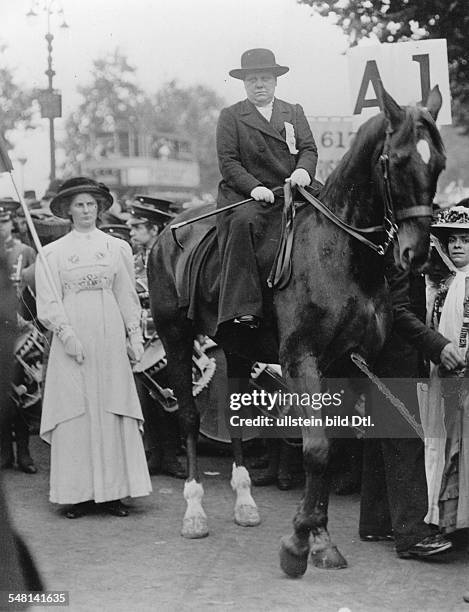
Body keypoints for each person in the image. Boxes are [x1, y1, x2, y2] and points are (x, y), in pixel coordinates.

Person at [35, 177, 151, 519]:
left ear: (99, 208)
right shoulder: (52, 253)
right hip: (74, 336)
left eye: (90, 204)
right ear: (68, 210)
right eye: (79, 205)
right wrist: (65, 333)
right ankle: (79, 493)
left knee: (111, 406)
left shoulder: (117, 248)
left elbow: (126, 294)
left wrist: (133, 335)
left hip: (108, 334)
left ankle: (114, 492)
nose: (86, 211)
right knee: (77, 409)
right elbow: (48, 299)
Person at [358, 242, 462, 559]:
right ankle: (411, 534)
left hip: (385, 346)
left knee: (384, 436)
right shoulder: (400, 247)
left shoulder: (392, 240)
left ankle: (376, 522)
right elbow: (397, 308)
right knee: (405, 438)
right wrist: (436, 345)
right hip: (396, 347)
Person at [216, 48, 318, 329]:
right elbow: (228, 161)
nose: (259, 84)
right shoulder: (231, 116)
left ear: (275, 81)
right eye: (252, 80)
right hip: (249, 191)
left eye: (264, 78)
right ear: (244, 84)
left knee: (333, 212)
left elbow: (308, 148)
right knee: (242, 222)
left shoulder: (293, 111)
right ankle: (244, 305)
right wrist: (253, 187)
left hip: (292, 186)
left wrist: (303, 170)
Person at [126, 198, 186, 479]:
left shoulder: (171, 255)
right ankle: (155, 454)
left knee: (170, 397)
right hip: (142, 335)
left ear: (153, 228)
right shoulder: (133, 258)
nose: (132, 231)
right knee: (146, 400)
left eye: (138, 227)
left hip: (167, 336)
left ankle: (172, 455)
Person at [422, 202, 469, 534]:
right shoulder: (438, 285)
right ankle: (442, 517)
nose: (457, 246)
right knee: (441, 440)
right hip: (443, 372)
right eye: (452, 240)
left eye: (465, 240)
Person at [0, 203, 38, 474]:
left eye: (3, 222)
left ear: (11, 223)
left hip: (21, 328)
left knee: (23, 391)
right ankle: (4, 451)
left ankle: (24, 452)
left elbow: (35, 294)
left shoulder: (24, 251)